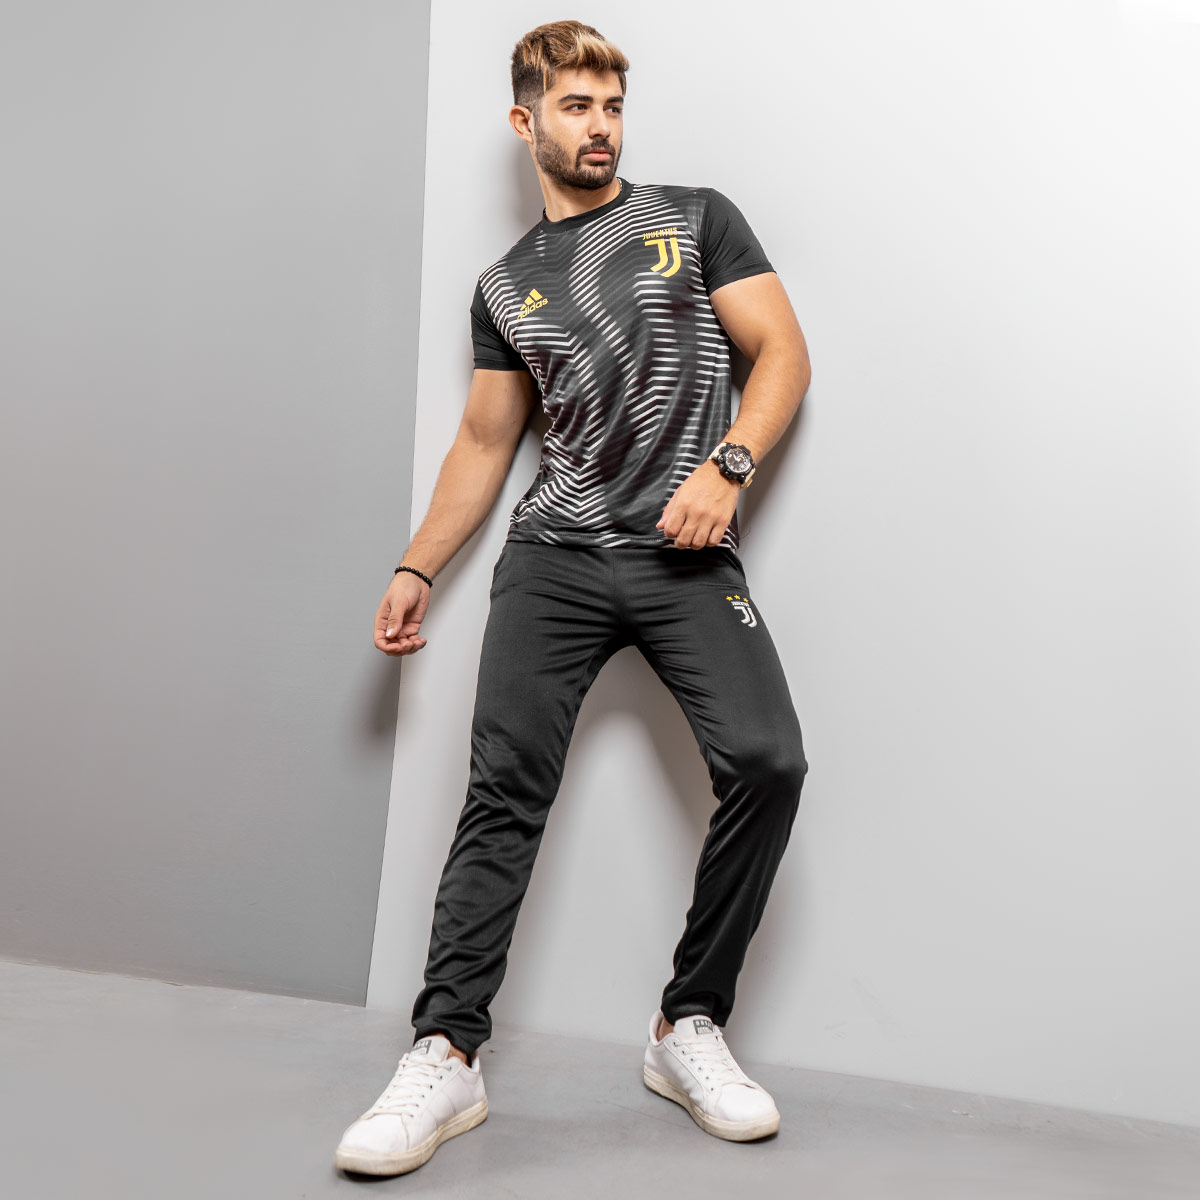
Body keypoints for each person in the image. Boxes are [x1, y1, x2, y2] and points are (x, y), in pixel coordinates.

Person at [335, 19, 812, 1178]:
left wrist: (729, 467)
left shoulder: (695, 219)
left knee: (768, 762)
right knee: (503, 793)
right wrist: (416, 566)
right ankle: (447, 1053)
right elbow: (483, 444)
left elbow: (784, 355)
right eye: (576, 107)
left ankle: (686, 1025)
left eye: (612, 107)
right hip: (554, 558)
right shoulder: (505, 287)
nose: (600, 128)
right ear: (526, 121)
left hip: (685, 554)